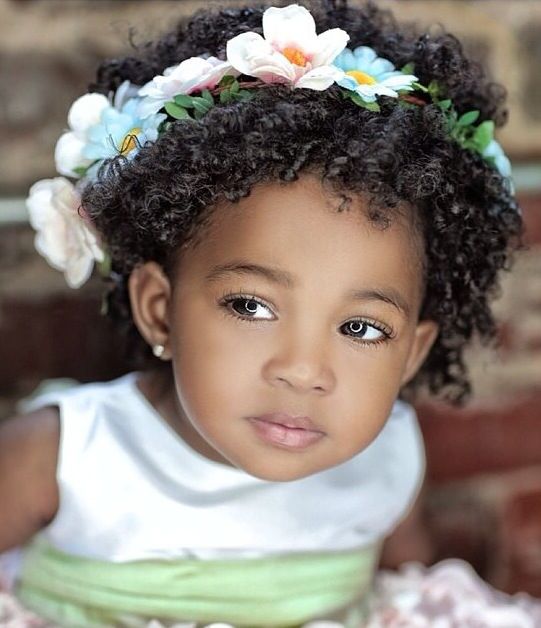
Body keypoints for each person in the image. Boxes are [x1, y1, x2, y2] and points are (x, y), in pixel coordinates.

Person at [0, 0, 523, 626]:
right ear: (160, 309)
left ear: (411, 351)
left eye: (360, 327)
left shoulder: (388, 459)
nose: (303, 370)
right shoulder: (66, 455)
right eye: (251, 305)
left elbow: (408, 599)